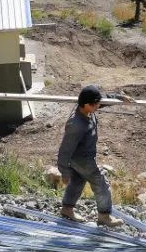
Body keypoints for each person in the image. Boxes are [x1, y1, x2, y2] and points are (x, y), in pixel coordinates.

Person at [56, 85, 131, 226]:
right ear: (87, 104)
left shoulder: (86, 108)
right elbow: (65, 149)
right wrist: (64, 172)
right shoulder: (76, 125)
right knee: (100, 184)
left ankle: (67, 209)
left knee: (77, 181)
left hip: (81, 157)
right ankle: (104, 216)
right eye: (96, 104)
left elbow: (102, 100)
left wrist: (119, 97)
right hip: (83, 160)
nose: (98, 106)